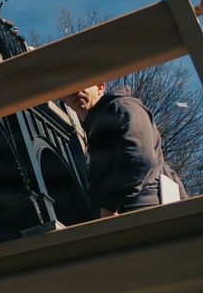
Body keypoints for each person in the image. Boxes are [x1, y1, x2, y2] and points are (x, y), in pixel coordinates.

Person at [60, 84, 186, 217]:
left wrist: (109, 205)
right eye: (69, 88)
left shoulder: (121, 106)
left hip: (139, 212)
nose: (76, 91)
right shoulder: (96, 126)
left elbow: (138, 156)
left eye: (83, 83)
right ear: (63, 100)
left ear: (100, 87)